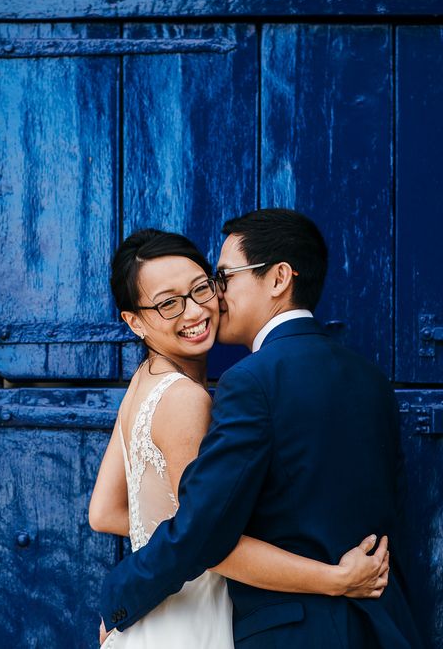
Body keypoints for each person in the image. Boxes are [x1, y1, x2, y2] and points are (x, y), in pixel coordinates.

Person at [94, 212, 421, 647]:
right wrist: (339, 576)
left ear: (279, 278)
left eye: (215, 281)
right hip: (378, 621)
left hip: (285, 628)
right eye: (170, 302)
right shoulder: (373, 379)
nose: (213, 299)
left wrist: (120, 601)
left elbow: (199, 532)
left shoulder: (237, 382)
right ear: (135, 321)